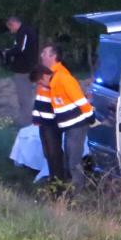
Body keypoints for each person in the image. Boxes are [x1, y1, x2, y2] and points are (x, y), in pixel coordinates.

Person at [40, 44, 94, 193]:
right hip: (69, 125)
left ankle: (78, 195)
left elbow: (80, 100)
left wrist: (90, 117)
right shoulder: (53, 75)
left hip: (77, 124)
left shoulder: (63, 77)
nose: (41, 56)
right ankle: (69, 191)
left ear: (53, 56)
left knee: (73, 161)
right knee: (68, 159)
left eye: (44, 53)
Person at [30, 65, 65, 187]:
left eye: (39, 81)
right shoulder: (41, 87)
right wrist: (36, 118)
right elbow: (38, 103)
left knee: (55, 153)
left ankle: (59, 181)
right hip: (43, 124)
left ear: (45, 76)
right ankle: (53, 178)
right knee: (48, 153)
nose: (39, 84)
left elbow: (59, 105)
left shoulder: (56, 85)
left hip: (53, 125)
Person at [5, 16, 39, 127]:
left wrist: (8, 52)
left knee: (25, 97)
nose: (11, 30)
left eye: (10, 28)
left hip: (24, 69)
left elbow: (21, 49)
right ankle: (25, 120)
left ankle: (26, 122)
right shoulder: (23, 32)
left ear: (13, 24)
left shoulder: (24, 32)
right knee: (24, 97)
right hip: (25, 68)